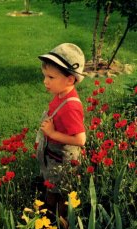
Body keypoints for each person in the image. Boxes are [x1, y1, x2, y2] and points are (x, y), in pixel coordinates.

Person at [36, 43, 86, 218]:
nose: (45, 81)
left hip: (63, 160)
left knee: (62, 193)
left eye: (50, 77)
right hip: (54, 156)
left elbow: (81, 140)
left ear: (70, 80)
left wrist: (52, 134)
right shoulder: (60, 95)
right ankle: (50, 215)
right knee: (52, 188)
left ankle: (62, 225)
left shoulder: (71, 106)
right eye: (45, 76)